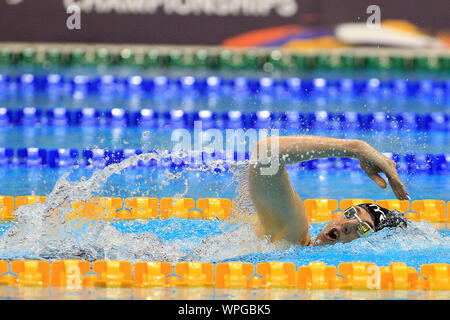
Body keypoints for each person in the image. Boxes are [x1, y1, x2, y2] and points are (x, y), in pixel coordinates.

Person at [248, 135, 410, 247]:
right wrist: (355, 148)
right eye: (351, 213)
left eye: (364, 229)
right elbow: (265, 153)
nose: (348, 224)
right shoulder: (292, 236)